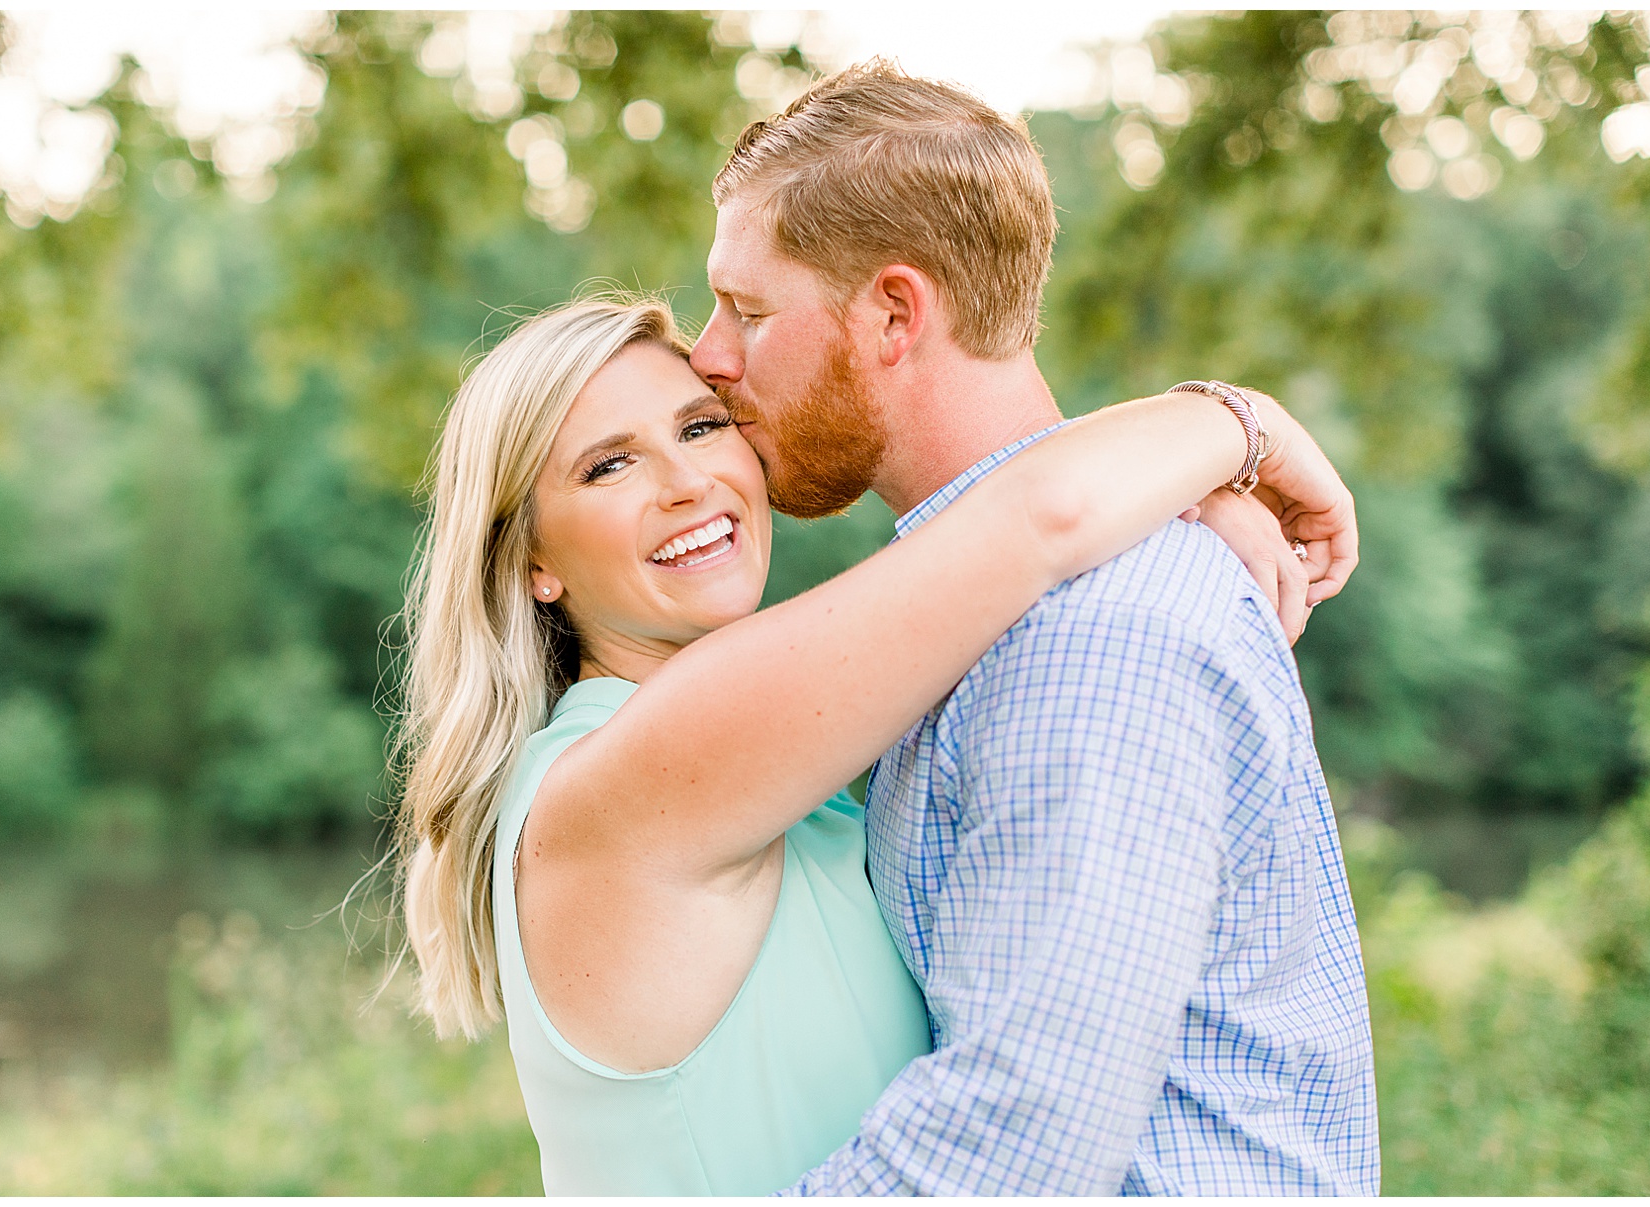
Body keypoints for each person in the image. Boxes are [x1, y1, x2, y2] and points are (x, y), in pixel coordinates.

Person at [393, 293, 1357, 1194]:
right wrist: (1239, 426)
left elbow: (1017, 548)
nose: (686, 482)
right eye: (609, 465)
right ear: (532, 562)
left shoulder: (790, 779)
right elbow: (1040, 518)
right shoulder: (628, 780)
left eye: (700, 426)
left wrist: (1174, 502)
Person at [685, 61, 1379, 1195]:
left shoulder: (1086, 636)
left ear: (894, 314)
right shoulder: (995, 597)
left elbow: (1017, 1140)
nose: (711, 356)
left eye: (749, 311)